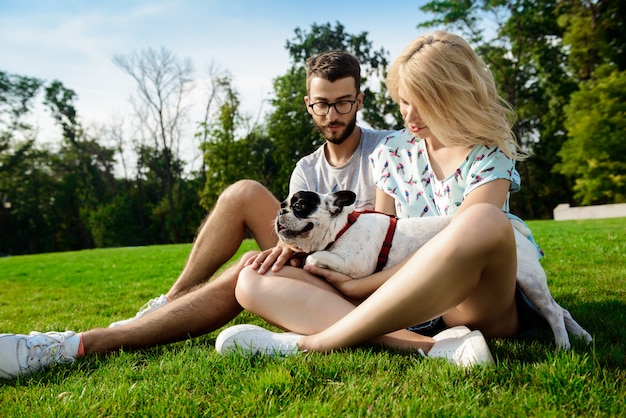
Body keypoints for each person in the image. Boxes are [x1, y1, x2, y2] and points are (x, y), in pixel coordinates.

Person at [0, 50, 395, 380]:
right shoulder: (306, 170)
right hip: (315, 266)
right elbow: (294, 235)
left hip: (360, 282)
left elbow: (377, 246)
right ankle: (166, 302)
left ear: (359, 101)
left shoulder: (386, 151)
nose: (332, 114)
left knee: (249, 269)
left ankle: (80, 345)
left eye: (343, 102)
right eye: (322, 104)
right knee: (243, 193)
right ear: (308, 104)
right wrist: (284, 249)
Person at [214, 30, 537, 367]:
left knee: (482, 220)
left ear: (454, 96)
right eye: (404, 101)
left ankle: (314, 342)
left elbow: (461, 247)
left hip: (470, 303)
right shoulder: (392, 152)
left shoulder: (491, 152)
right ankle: (428, 347)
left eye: (424, 104)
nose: (410, 116)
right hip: (398, 302)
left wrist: (359, 288)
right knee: (252, 280)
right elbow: (382, 238)